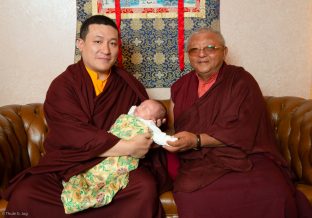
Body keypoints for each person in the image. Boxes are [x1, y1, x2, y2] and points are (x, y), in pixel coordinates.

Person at [4, 15, 165, 218]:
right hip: (68, 164)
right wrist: (130, 147)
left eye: (112, 43)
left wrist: (151, 127)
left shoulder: (128, 84)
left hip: (114, 167)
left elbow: (146, 127)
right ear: (80, 44)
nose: (106, 50)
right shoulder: (64, 84)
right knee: (26, 194)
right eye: (97, 41)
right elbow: (70, 133)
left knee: (144, 187)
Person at [163, 27, 312, 218]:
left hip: (246, 155)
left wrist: (197, 140)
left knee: (274, 192)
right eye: (194, 50)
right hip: (198, 161)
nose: (201, 54)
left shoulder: (242, 81)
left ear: (224, 52)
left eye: (210, 48)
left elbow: (245, 129)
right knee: (192, 195)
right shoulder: (180, 86)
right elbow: (178, 127)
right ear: (188, 55)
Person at [61, 99, 177, 214]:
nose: (139, 107)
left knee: (118, 178)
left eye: (145, 108)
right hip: (105, 148)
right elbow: (132, 110)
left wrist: (171, 139)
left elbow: (162, 138)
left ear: (152, 119)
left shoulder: (150, 125)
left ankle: (95, 196)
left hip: (123, 160)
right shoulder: (130, 115)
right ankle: (82, 188)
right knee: (91, 172)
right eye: (141, 105)